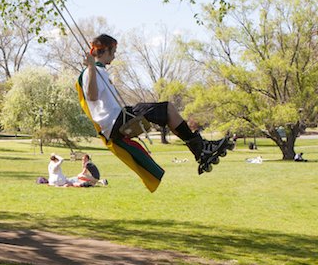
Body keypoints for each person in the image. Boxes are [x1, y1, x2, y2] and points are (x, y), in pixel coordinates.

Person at [81, 33, 232, 175]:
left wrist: (93, 67)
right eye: (113, 51)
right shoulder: (91, 71)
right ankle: (201, 148)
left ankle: (200, 149)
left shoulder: (99, 71)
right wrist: (91, 67)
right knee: (167, 108)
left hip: (118, 117)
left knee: (167, 109)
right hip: (114, 122)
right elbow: (92, 96)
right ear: (106, 50)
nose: (114, 55)